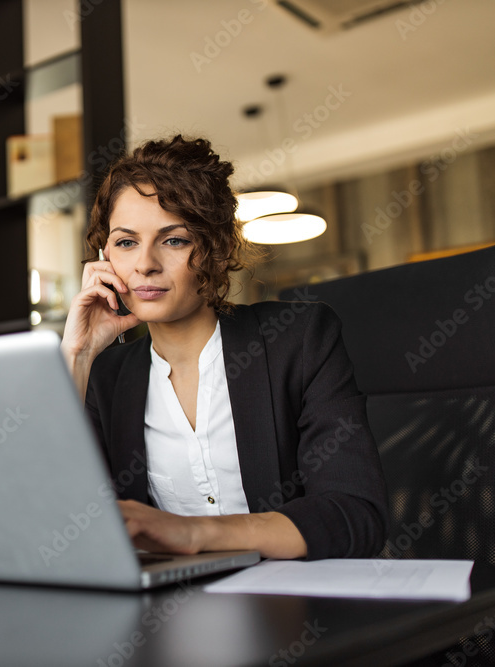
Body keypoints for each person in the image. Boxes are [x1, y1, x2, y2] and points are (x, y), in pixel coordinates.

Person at [60, 135, 388, 560]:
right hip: (170, 612)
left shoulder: (299, 339)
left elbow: (356, 515)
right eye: (126, 242)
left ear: (216, 248)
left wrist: (194, 533)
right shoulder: (105, 379)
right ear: (105, 257)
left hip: (302, 606)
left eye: (173, 239)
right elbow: (57, 527)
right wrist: (78, 356)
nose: (145, 263)